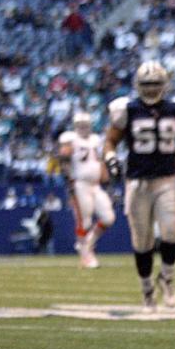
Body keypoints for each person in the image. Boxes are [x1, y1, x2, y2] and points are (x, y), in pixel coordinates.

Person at [104, 61, 175, 312]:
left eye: (156, 83)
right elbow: (110, 140)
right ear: (138, 85)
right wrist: (110, 158)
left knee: (172, 232)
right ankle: (146, 289)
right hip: (137, 181)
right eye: (147, 84)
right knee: (142, 241)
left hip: (167, 179)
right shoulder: (128, 110)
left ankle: (167, 277)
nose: (152, 88)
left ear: (164, 84)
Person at [58, 111, 115, 269]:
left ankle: (87, 243)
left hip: (95, 185)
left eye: (85, 125)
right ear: (75, 126)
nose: (83, 128)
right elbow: (63, 160)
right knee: (85, 220)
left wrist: (107, 179)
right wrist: (69, 182)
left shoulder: (96, 140)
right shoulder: (71, 140)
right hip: (80, 184)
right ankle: (85, 256)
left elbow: (99, 161)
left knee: (108, 217)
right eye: (80, 126)